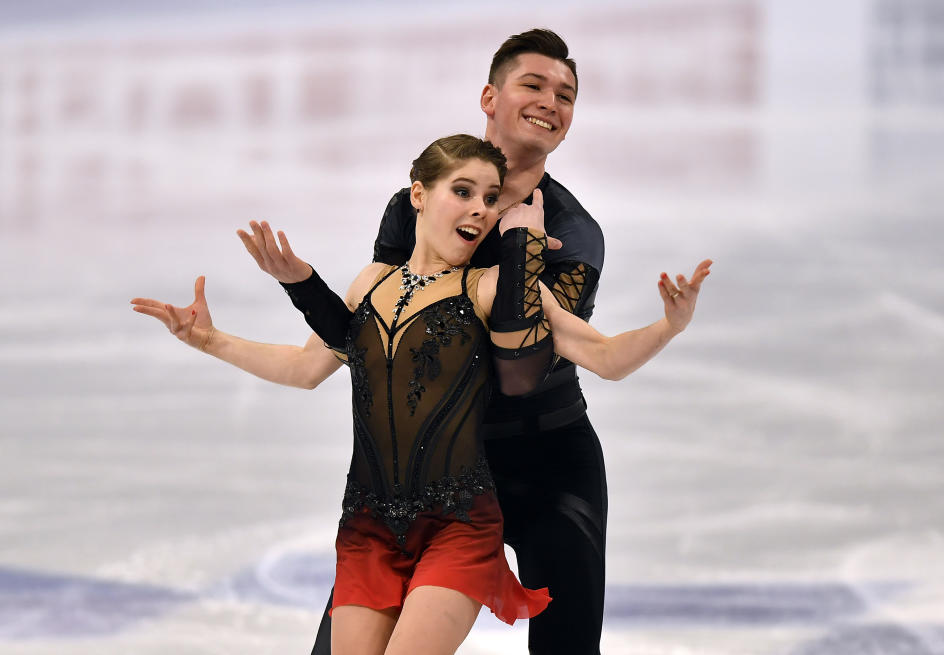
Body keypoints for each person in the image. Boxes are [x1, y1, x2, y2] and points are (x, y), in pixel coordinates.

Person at [131, 135, 711, 655]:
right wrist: (206, 339)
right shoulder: (370, 284)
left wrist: (668, 327)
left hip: (458, 524)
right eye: (463, 191)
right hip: (369, 525)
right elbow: (305, 368)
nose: (479, 209)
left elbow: (605, 358)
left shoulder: (493, 287)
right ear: (418, 195)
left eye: (489, 198)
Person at [317, 28, 608, 655]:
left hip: (544, 461)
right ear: (489, 97)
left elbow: (516, 367)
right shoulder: (414, 205)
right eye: (533, 84)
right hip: (428, 473)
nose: (550, 101)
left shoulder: (572, 234)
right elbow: (382, 333)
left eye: (567, 94)